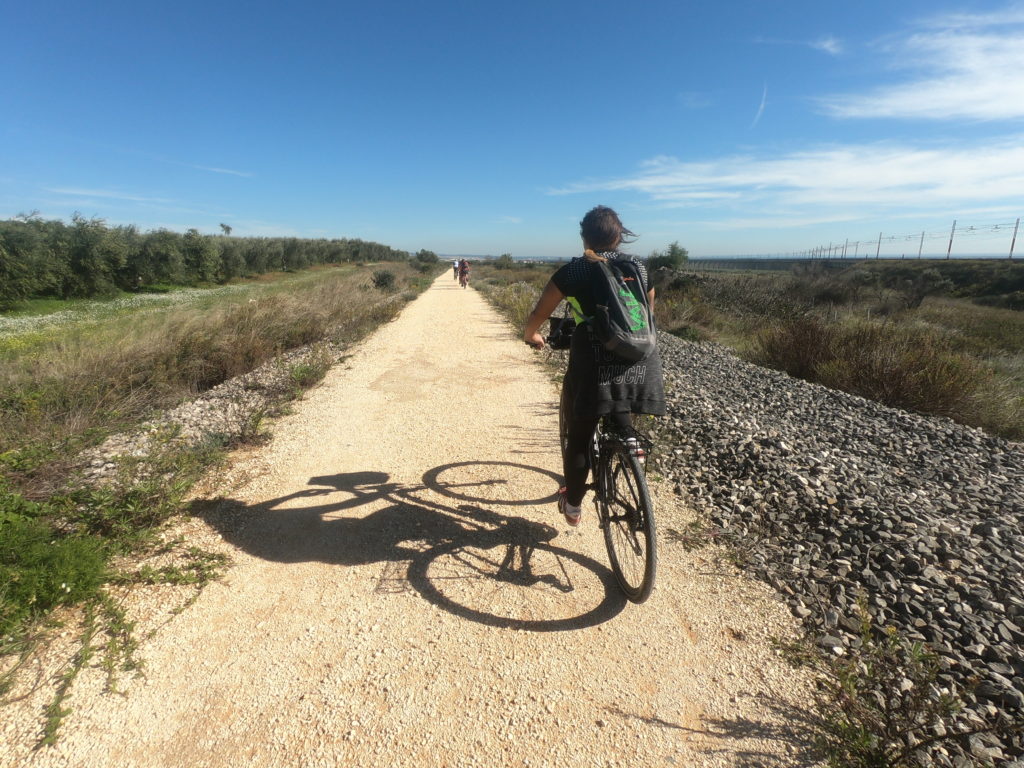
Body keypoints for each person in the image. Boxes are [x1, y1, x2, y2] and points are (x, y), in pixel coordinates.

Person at [522, 206, 665, 525]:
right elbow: (648, 308)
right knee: (620, 394)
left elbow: (542, 310)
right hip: (641, 355)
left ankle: (573, 505)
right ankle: (628, 442)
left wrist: (531, 334)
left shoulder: (575, 271)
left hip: (593, 357)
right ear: (619, 235)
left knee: (580, 434)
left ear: (584, 236)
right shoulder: (638, 266)